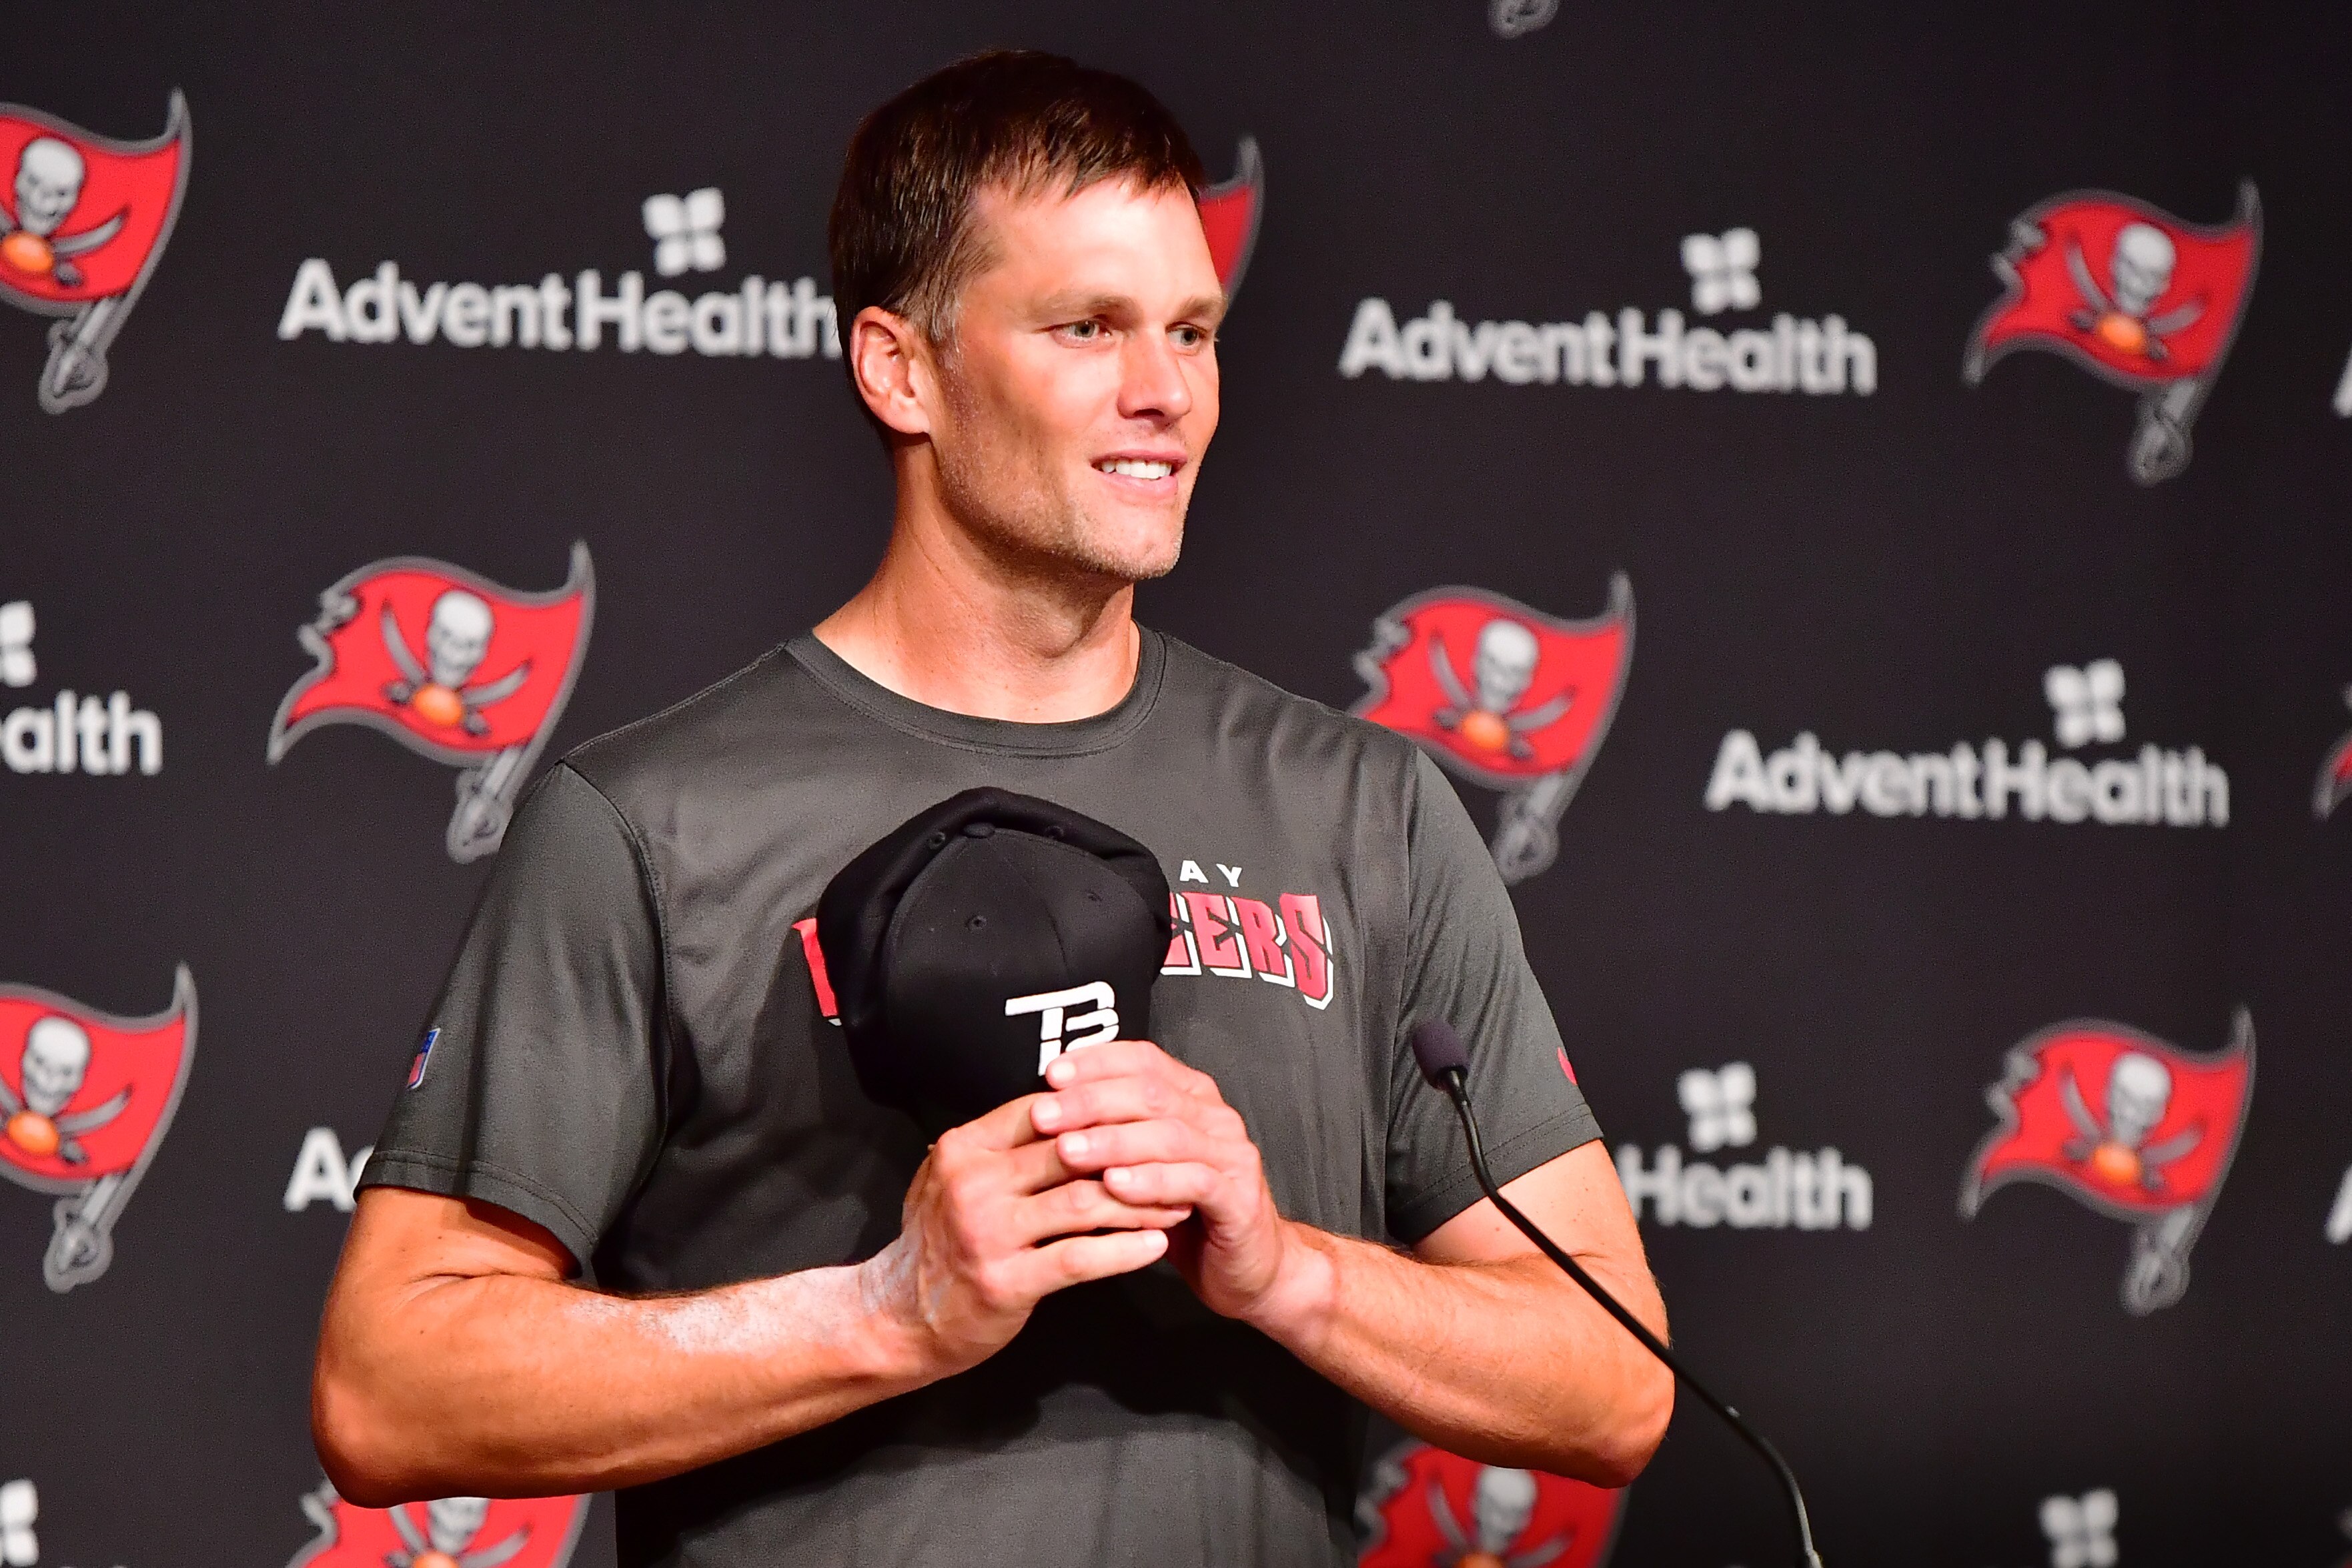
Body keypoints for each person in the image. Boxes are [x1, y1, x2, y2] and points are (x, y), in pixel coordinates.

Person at [312, 49, 1671, 1567]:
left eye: (1192, 331)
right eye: (1086, 327)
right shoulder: (650, 822)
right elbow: (387, 1388)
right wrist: (885, 1311)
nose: (1164, 392)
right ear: (900, 370)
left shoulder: (1365, 811)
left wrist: (1289, 1274)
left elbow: (1611, 1380)